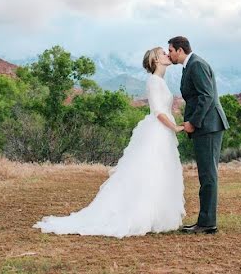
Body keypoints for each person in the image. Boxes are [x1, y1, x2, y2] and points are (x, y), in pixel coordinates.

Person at [33, 47, 185, 237]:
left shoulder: (161, 81)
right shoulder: (154, 82)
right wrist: (175, 127)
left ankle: (155, 216)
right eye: (162, 53)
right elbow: (158, 112)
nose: (166, 55)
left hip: (163, 133)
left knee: (160, 171)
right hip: (157, 131)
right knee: (149, 171)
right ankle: (137, 215)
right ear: (155, 60)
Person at [168, 35, 229, 234]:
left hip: (208, 126)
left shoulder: (196, 65)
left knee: (208, 174)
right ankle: (206, 221)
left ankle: (207, 223)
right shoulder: (190, 66)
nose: (169, 54)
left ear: (179, 49)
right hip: (206, 126)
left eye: (170, 50)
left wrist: (193, 122)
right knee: (206, 173)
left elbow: (207, 96)